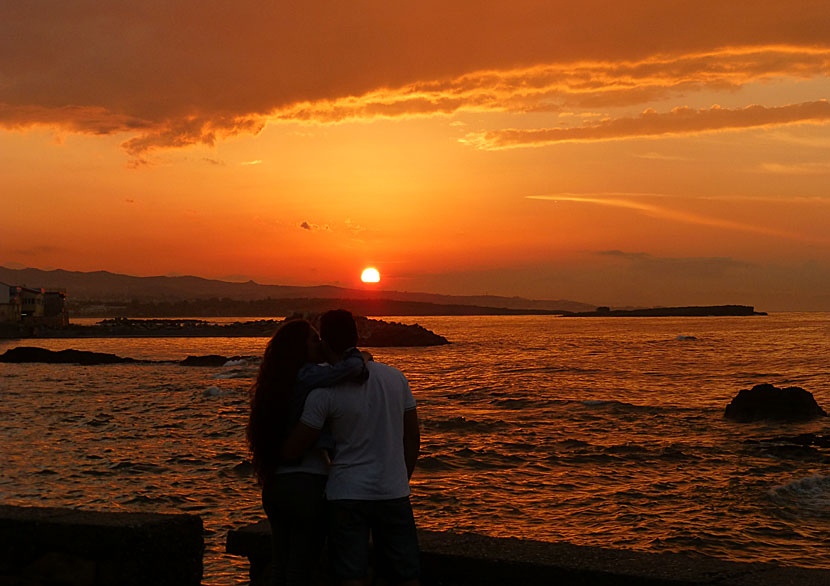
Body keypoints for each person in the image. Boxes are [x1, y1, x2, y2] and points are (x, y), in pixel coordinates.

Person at [282, 309, 421, 586]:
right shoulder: (396, 378)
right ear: (356, 336)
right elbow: (412, 437)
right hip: (393, 491)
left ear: (324, 342)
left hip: (346, 493)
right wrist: (400, 478)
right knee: (405, 576)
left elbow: (295, 447)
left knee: (350, 576)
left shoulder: (323, 393)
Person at [247, 318, 368, 586]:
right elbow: (352, 369)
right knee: (300, 569)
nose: (320, 344)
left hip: (276, 485)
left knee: (280, 564)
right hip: (305, 485)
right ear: (299, 347)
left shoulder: (277, 380)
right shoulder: (307, 375)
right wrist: (357, 354)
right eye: (314, 339)